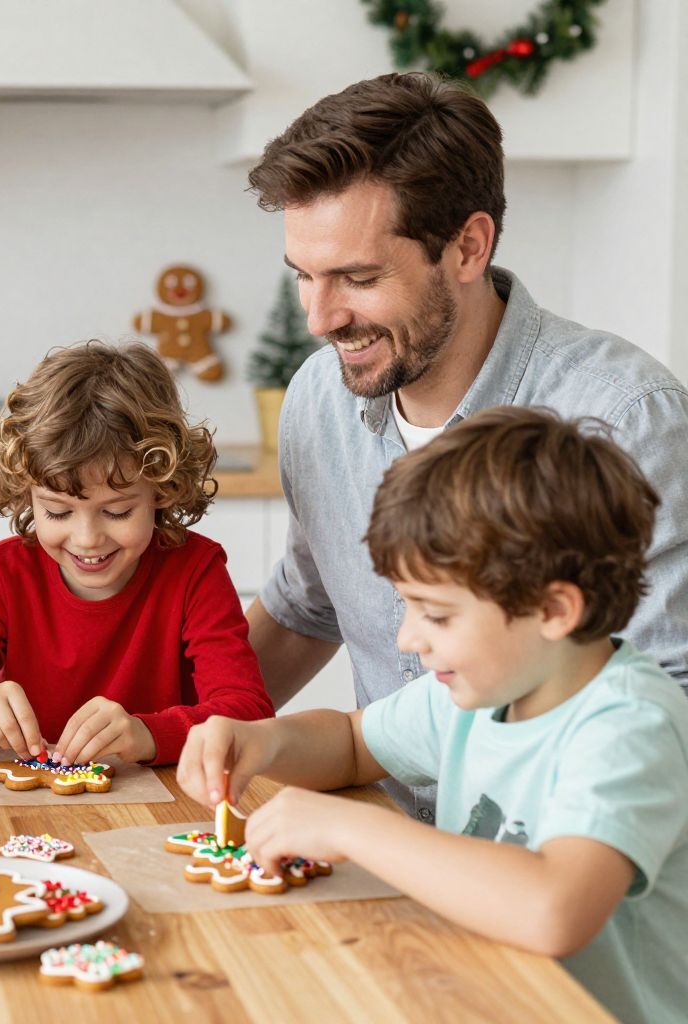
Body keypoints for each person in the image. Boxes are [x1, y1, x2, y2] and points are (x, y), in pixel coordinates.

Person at [244, 72, 688, 817]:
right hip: (389, 844)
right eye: (304, 277)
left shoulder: (625, 418)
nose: (320, 319)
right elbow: (305, 608)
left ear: (468, 247)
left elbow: (670, 712)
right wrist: (167, 727)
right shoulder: (320, 397)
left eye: (357, 277)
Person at [178, 407, 688, 1024]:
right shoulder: (483, 691)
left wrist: (352, 830)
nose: (408, 639)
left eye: (437, 615)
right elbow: (351, 744)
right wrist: (263, 741)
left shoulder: (628, 726)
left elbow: (555, 909)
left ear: (554, 611)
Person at [0, 341, 274, 766]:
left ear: (161, 490)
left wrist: (148, 734)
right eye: (58, 512)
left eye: (117, 511)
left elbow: (249, 714)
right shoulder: (6, 575)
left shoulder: (195, 572)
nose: (87, 538)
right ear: (27, 495)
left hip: (162, 800)